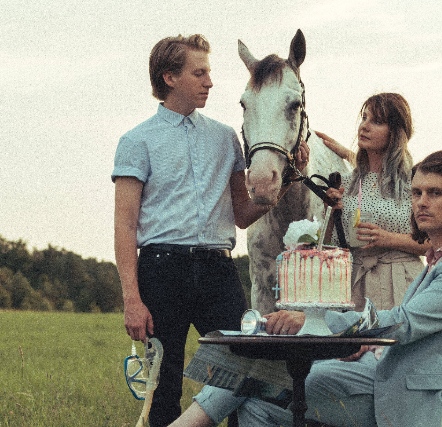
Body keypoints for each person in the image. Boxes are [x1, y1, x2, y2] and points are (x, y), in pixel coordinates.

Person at [112, 34, 307, 427]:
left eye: (209, 72)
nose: (210, 82)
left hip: (218, 271)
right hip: (161, 269)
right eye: (199, 73)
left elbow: (243, 213)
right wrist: (132, 299)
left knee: (243, 372)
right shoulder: (137, 141)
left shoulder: (225, 138)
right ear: (169, 77)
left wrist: (289, 177)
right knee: (163, 384)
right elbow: (125, 225)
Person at [232, 150, 442, 427]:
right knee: (260, 380)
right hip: (381, 369)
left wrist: (315, 320)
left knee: (256, 396)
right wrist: (366, 344)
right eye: (416, 193)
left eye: (435, 193)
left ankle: (201, 416)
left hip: (400, 394)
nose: (421, 202)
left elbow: (404, 323)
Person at [317, 92, 429, 311]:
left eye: (377, 121)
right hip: (355, 287)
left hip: (403, 284)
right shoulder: (346, 183)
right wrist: (330, 213)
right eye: (364, 118)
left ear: (395, 133)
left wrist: (387, 238)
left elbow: (434, 244)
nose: (364, 126)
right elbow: (330, 248)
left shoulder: (415, 183)